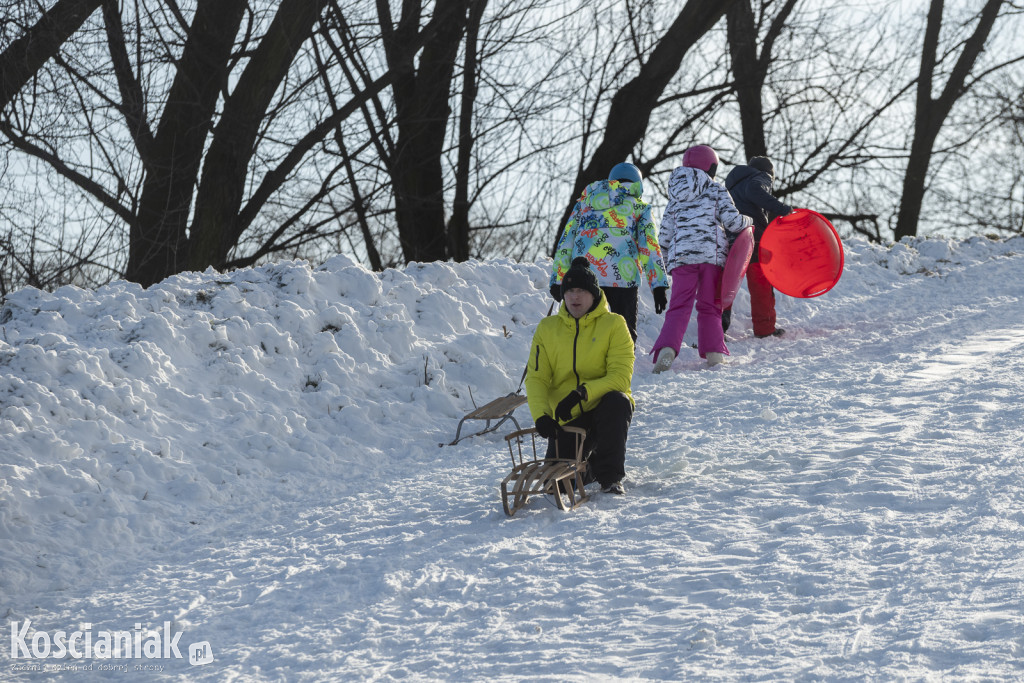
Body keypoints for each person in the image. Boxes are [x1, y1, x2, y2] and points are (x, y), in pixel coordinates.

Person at [527, 257, 635, 495]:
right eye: (570, 291)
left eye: (582, 291)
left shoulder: (615, 324)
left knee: (618, 401)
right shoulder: (547, 329)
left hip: (603, 409)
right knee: (556, 487)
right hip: (567, 416)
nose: (575, 297)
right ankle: (590, 469)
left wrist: (582, 393)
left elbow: (620, 377)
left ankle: (610, 478)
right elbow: (536, 378)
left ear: (594, 295)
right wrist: (541, 416)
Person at [651, 145, 752, 371]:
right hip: (710, 257)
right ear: (711, 166)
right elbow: (733, 223)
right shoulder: (716, 190)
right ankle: (714, 353)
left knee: (678, 306)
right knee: (710, 306)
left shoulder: (675, 196)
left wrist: (666, 261)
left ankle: (666, 350)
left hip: (681, 258)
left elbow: (664, 235)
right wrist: (749, 221)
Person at [550, 162, 670, 342]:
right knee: (623, 333)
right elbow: (649, 245)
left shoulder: (584, 204)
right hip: (623, 280)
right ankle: (621, 358)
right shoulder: (640, 208)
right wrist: (658, 285)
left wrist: (559, 279)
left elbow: (566, 242)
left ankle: (587, 358)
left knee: (586, 332)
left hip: (586, 278)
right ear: (638, 185)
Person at [723, 156, 793, 338]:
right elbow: (754, 190)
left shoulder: (732, 185)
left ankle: (716, 328)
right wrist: (783, 209)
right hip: (754, 237)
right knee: (761, 282)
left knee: (727, 283)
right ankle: (764, 329)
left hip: (731, 237)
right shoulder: (761, 177)